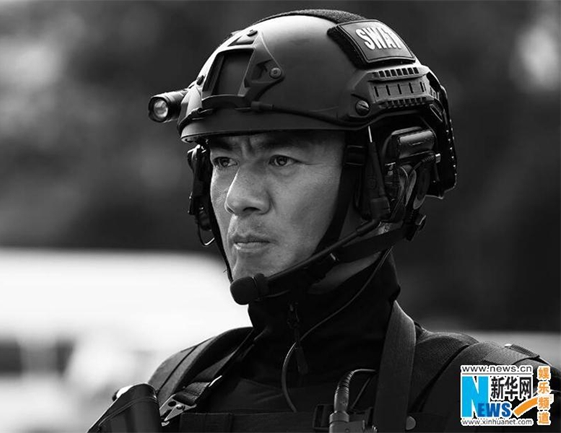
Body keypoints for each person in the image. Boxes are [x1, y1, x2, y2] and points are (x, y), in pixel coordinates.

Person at [90, 9, 559, 433]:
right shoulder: (172, 386)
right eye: (223, 161)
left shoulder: (500, 394)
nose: (238, 199)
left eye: (281, 160)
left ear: (390, 183)